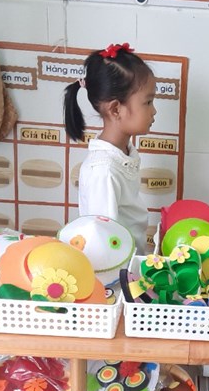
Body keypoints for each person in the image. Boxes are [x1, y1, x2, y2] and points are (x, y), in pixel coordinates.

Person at [63, 42, 156, 254]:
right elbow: (105, 245)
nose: (154, 111)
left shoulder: (121, 154)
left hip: (131, 261)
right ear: (116, 109)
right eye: (148, 102)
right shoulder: (104, 171)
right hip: (116, 269)